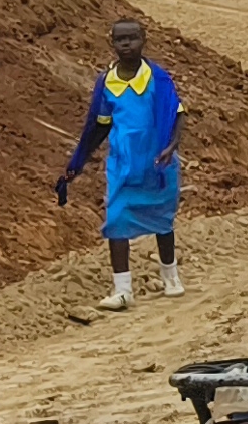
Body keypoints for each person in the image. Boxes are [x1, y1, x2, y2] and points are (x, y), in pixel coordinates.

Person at [61, 18, 186, 308]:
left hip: (157, 162)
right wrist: (80, 159)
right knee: (116, 219)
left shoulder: (158, 78)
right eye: (120, 39)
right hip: (122, 164)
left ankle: (171, 276)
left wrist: (172, 145)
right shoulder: (107, 83)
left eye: (132, 38)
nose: (127, 44)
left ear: (144, 39)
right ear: (112, 43)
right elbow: (100, 124)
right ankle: (122, 290)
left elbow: (177, 113)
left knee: (161, 219)